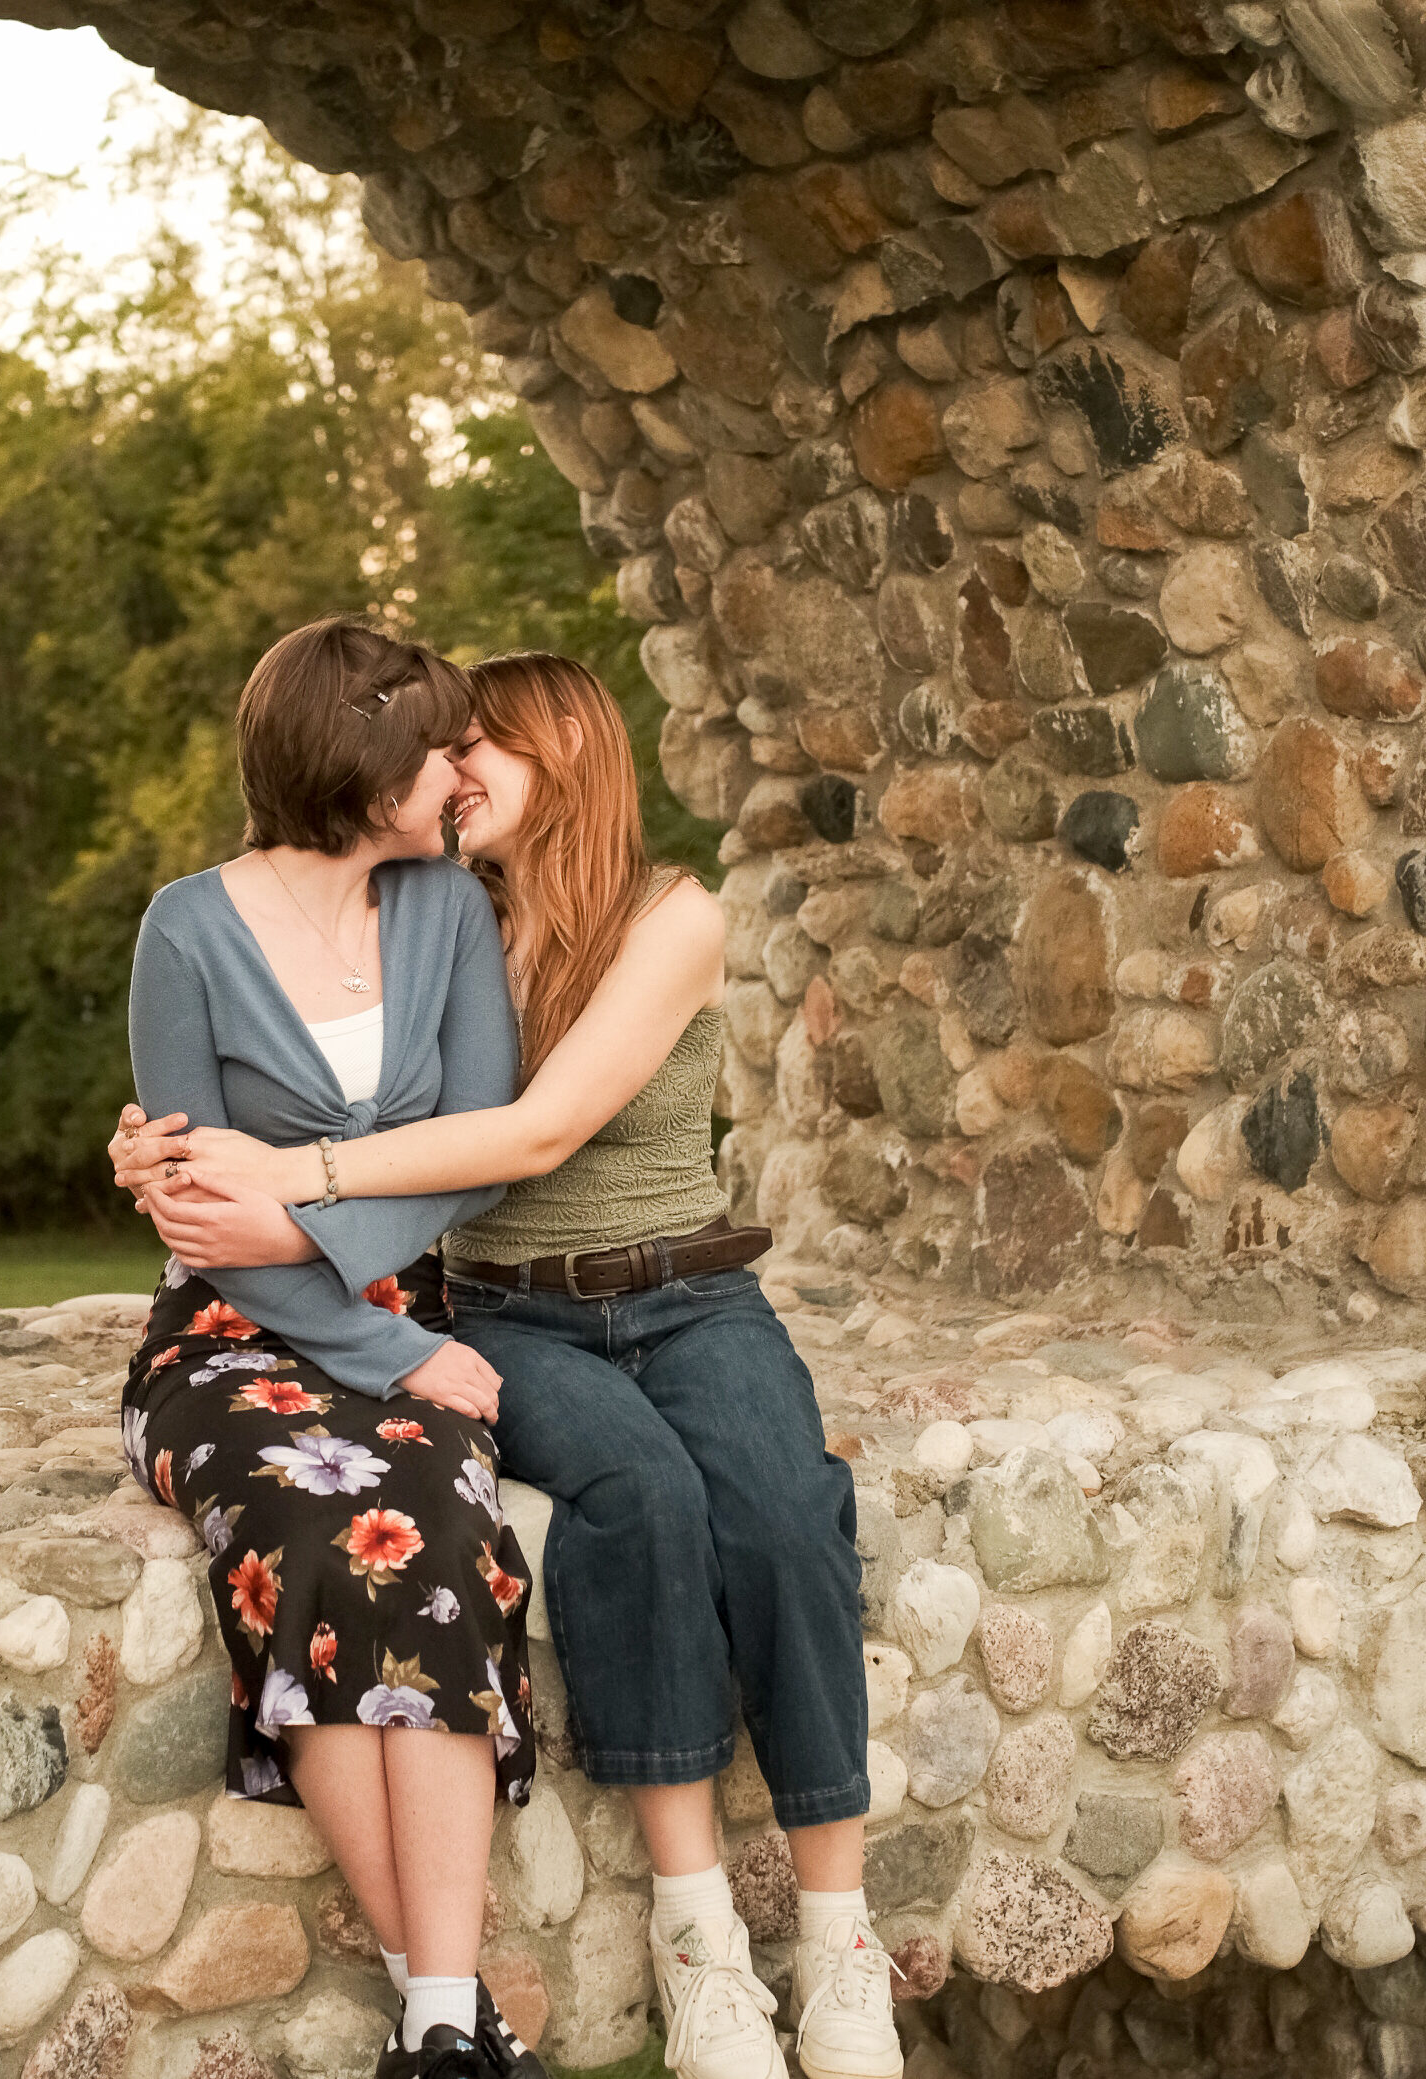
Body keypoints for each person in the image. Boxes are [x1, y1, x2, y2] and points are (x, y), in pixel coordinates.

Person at [116, 652, 900, 2079]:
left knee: (786, 1510)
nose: (456, 768)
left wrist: (292, 1180)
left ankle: (841, 1938)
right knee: (639, 1499)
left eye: (487, 745)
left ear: (575, 754)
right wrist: (160, 1157)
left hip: (687, 1293)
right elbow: (250, 1081)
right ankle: (695, 1933)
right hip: (507, 1314)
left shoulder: (663, 919)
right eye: (444, 747)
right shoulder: (439, 902)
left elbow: (517, 1138)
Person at [118, 617, 546, 2079]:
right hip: (230, 1340)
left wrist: (352, 1282)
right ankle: (457, 2019)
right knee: (310, 1530)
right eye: (436, 744)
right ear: (362, 763)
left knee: (427, 1520)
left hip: (392, 1310)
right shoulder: (185, 928)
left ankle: (434, 2025)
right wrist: (371, 1348)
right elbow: (191, 1210)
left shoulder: (449, 910)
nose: (457, 771)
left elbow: (472, 1152)